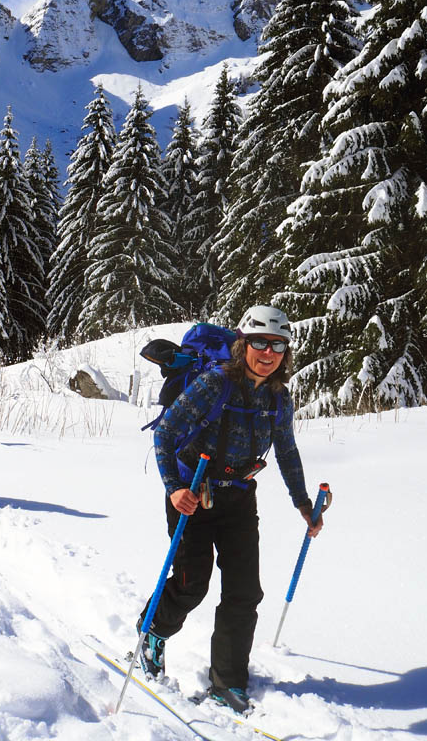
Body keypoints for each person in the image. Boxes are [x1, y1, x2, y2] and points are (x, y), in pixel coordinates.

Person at [138, 304, 323, 713]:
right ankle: (151, 630)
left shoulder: (279, 398)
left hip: (239, 497)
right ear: (243, 345)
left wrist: (303, 504)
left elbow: (288, 452)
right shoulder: (215, 383)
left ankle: (228, 683)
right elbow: (166, 433)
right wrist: (173, 489)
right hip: (193, 494)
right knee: (191, 583)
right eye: (260, 342)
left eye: (277, 345)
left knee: (244, 592)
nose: (268, 352)